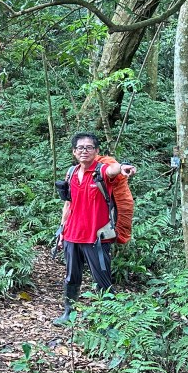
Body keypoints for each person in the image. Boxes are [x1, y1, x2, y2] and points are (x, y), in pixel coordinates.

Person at [54, 133, 136, 325]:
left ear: (97, 151)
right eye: (80, 147)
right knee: (71, 277)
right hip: (72, 235)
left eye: (89, 147)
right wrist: (61, 231)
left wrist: (122, 167)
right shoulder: (71, 172)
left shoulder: (102, 171)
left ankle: (109, 320)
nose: (84, 151)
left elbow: (113, 169)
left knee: (102, 280)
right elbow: (68, 205)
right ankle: (68, 313)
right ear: (74, 152)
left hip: (96, 237)